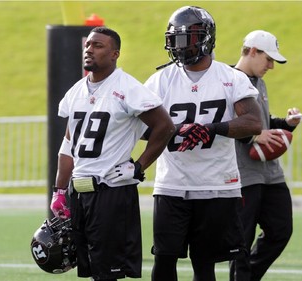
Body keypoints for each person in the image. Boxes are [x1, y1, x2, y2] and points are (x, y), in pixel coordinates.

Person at [144, 6, 262, 281]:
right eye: (175, 39)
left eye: (188, 38)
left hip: (217, 184)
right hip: (172, 184)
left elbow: (254, 123)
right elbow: (138, 127)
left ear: (206, 38)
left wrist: (210, 129)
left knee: (205, 263)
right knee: (163, 260)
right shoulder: (160, 80)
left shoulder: (231, 77)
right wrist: (174, 131)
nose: (180, 45)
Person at [50, 26, 175, 281]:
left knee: (109, 272)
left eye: (98, 46)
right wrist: (59, 190)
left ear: (115, 53)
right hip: (80, 193)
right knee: (91, 271)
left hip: (111, 191)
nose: (89, 50)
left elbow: (165, 126)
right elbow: (68, 144)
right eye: (88, 45)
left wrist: (139, 166)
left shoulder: (128, 87)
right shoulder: (76, 91)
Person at [229, 30, 302, 281]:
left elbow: (262, 121)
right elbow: (219, 123)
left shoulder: (260, 82)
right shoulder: (227, 80)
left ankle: (247, 276)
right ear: (251, 51)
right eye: (268, 59)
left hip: (270, 172)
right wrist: (251, 136)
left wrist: (286, 123)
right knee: (241, 239)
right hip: (242, 174)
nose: (271, 65)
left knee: (281, 229)